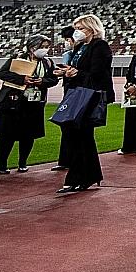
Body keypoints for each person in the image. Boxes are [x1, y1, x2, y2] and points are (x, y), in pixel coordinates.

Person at [54, 13, 116, 194]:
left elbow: (98, 73)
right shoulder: (80, 47)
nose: (77, 32)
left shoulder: (100, 46)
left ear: (91, 28)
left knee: (82, 136)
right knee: (77, 136)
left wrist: (76, 73)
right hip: (77, 94)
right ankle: (87, 175)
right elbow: (80, 70)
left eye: (80, 28)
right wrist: (66, 72)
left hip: (90, 96)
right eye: (76, 28)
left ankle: (79, 177)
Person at [0, 35, 59, 173]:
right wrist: (22, 79)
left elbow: (53, 80)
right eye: (42, 47)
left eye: (47, 47)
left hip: (35, 102)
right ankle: (2, 165)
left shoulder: (47, 62)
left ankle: (22, 163)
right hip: (13, 102)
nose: (45, 50)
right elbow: (2, 73)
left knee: (28, 135)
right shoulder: (18, 58)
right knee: (7, 134)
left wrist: (42, 81)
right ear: (32, 47)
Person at [50, 26, 77, 173]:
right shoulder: (67, 54)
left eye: (68, 39)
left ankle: (75, 159)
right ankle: (65, 160)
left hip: (78, 92)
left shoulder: (84, 53)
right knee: (66, 125)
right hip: (68, 91)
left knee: (74, 126)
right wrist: (61, 73)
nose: (67, 42)